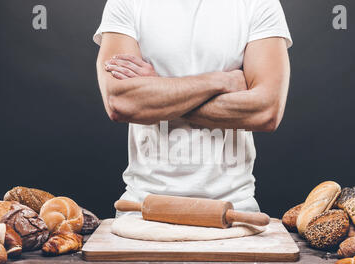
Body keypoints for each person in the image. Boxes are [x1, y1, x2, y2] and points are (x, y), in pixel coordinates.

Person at [94, 0, 292, 215]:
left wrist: (160, 91)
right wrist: (220, 81)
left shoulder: (259, 4)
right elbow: (121, 102)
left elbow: (266, 111)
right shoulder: (126, 3)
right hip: (142, 206)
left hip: (233, 209)